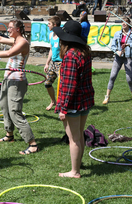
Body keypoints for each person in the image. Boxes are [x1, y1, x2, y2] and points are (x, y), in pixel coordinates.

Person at [0, 19, 39, 155]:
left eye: (10, 28)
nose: (7, 30)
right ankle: (9, 135)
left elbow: (9, 53)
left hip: (17, 81)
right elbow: (1, 39)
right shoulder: (15, 41)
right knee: (4, 106)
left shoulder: (22, 43)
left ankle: (32, 143)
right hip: (7, 79)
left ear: (18, 29)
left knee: (15, 111)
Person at [53, 20, 94, 178]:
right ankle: (77, 164)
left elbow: (70, 86)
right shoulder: (84, 52)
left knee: (74, 138)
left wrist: (63, 108)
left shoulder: (70, 55)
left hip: (74, 103)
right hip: (84, 100)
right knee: (79, 135)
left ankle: (74, 171)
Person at [102, 17, 132, 104]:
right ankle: (107, 96)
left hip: (128, 58)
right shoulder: (117, 33)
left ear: (129, 23)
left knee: (129, 79)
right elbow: (113, 46)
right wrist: (117, 51)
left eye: (126, 22)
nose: (123, 23)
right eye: (122, 22)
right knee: (112, 76)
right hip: (118, 57)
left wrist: (128, 45)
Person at [44, 16, 62, 111]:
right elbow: (51, 50)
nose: (48, 25)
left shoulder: (62, 36)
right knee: (47, 83)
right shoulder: (51, 35)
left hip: (61, 64)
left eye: (49, 24)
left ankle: (60, 105)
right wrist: (47, 63)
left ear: (55, 25)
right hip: (53, 63)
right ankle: (53, 101)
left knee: (61, 86)